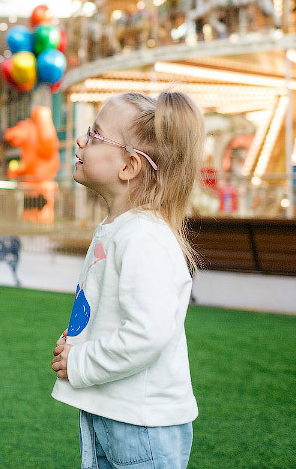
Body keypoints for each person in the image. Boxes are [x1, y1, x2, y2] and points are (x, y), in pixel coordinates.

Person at [51, 91, 204, 469]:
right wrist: (77, 342)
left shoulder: (143, 237)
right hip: (117, 409)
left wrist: (81, 360)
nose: (80, 140)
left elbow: (147, 333)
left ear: (129, 166)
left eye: (95, 135)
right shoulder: (119, 229)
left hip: (141, 423)